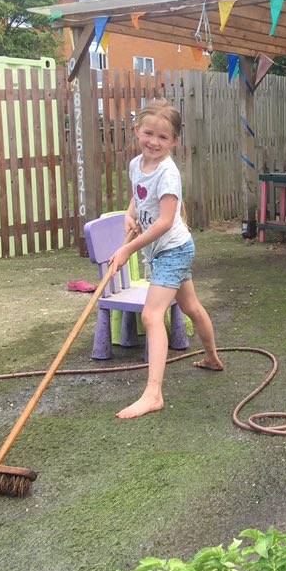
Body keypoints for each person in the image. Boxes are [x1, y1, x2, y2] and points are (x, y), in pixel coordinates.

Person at [110, 98, 224, 419]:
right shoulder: (137, 164)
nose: (154, 142)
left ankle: (153, 394)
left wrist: (128, 248)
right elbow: (138, 194)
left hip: (173, 248)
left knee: (151, 315)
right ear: (137, 131)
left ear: (174, 140)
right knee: (191, 307)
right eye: (149, 134)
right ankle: (213, 358)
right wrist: (128, 217)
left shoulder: (169, 173)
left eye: (163, 137)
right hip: (163, 251)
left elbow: (163, 221)